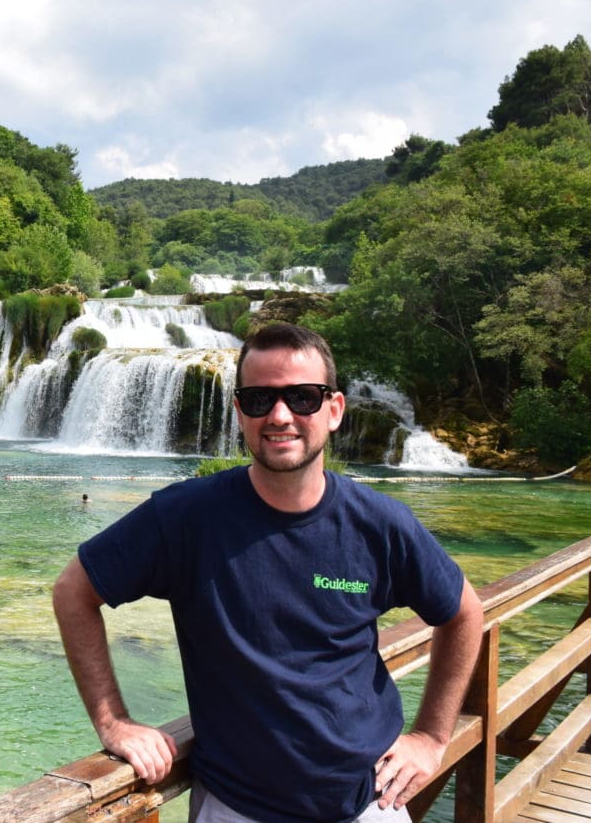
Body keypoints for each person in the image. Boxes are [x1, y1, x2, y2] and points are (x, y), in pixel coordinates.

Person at [52, 323, 484, 823]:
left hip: (370, 802)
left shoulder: (381, 524)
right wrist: (114, 722)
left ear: (335, 410)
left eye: (302, 397)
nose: (280, 416)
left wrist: (432, 738)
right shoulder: (185, 519)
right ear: (239, 411)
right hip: (236, 808)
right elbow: (72, 592)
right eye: (259, 399)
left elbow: (463, 613)